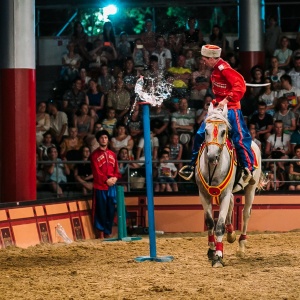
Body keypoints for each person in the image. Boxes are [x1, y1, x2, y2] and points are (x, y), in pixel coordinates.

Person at [183, 44, 255, 184]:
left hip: (232, 108)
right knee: (200, 134)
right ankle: (192, 166)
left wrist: (227, 100)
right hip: (218, 107)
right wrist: (216, 102)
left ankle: (248, 169)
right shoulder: (215, 69)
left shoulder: (224, 69)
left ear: (212, 58)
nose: (203, 62)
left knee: (240, 137)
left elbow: (240, 86)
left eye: (205, 59)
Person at [90, 130, 121, 239]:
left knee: (111, 209)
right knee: (101, 209)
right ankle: (100, 232)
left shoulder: (112, 154)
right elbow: (96, 172)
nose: (104, 139)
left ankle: (108, 231)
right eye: (102, 138)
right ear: (98, 140)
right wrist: (105, 180)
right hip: (100, 186)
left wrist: (115, 178)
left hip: (112, 185)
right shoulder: (94, 155)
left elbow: (117, 169)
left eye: (106, 137)